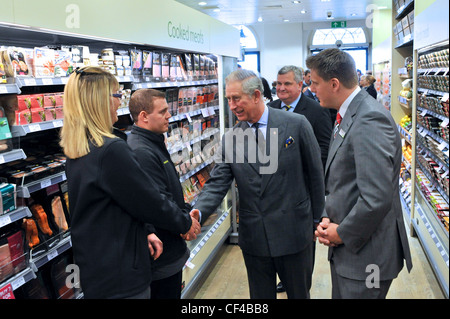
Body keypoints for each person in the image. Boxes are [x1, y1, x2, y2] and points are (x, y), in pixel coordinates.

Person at [60, 66, 200, 299]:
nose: (119, 102)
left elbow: (116, 202)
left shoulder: (79, 147)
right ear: (100, 101)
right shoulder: (111, 150)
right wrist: (185, 223)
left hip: (97, 266)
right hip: (122, 273)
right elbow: (149, 200)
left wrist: (145, 230)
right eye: (117, 95)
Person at [194, 69, 325, 299]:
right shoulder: (231, 138)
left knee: (299, 294)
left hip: (294, 232)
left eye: (236, 99)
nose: (232, 105)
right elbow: (217, 183)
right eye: (228, 99)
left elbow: (315, 175)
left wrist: (317, 219)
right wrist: (198, 212)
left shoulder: (296, 124)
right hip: (255, 237)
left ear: (256, 95)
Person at [306, 49, 413, 299]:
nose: (311, 89)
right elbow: (343, 180)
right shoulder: (348, 113)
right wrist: (326, 216)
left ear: (334, 84)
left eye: (314, 82)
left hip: (367, 257)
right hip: (352, 252)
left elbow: (375, 198)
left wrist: (341, 232)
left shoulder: (369, 119)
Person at [127, 88, 197, 299]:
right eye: (163, 111)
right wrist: (186, 223)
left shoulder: (153, 142)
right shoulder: (142, 151)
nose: (169, 116)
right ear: (144, 116)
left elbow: (168, 190)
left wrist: (186, 212)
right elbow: (157, 202)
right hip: (161, 256)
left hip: (170, 249)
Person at [268, 65, 331, 169]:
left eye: (287, 84)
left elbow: (324, 148)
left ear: (299, 85)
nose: (281, 88)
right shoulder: (270, 108)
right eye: (279, 83)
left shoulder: (318, 110)